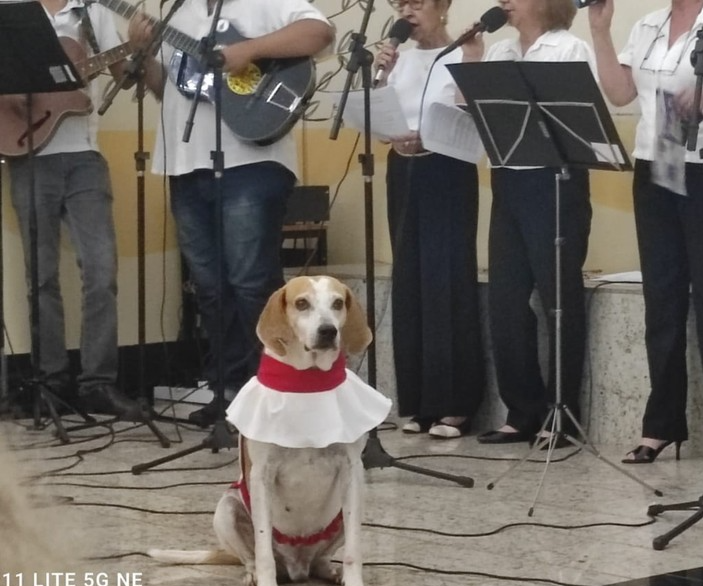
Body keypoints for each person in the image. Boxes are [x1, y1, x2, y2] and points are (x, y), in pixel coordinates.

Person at [128, 0, 335, 426]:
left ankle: (280, 390)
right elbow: (168, 89)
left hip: (251, 163)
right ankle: (229, 392)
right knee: (209, 287)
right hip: (186, 165)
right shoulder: (174, 14)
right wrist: (144, 52)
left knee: (251, 282)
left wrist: (248, 50)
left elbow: (319, 32)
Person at [588, 0, 703, 472]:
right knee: (661, 301)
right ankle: (662, 423)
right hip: (653, 168)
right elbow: (621, 93)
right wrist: (600, 32)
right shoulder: (648, 24)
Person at [460, 0, 594, 445]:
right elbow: (470, 109)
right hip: (508, 180)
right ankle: (521, 412)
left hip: (556, 181)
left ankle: (562, 413)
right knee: (505, 299)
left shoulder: (568, 49)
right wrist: (472, 57)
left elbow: (579, 117)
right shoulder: (499, 52)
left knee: (559, 299)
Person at [1, 0, 142, 417]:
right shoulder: (14, 14)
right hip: (27, 153)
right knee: (40, 278)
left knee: (101, 271)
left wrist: (134, 48)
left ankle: (98, 383)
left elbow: (125, 77)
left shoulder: (93, 14)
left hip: (84, 155)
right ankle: (51, 381)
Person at [373, 0, 485, 439]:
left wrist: (474, 60)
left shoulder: (464, 51)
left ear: (443, 6)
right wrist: (381, 71)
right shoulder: (396, 56)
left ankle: (455, 404)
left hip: (448, 167)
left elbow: (469, 114)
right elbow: (380, 118)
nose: (407, 10)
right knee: (409, 280)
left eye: (416, 2)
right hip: (403, 168)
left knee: (446, 279)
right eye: (400, 3)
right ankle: (416, 402)